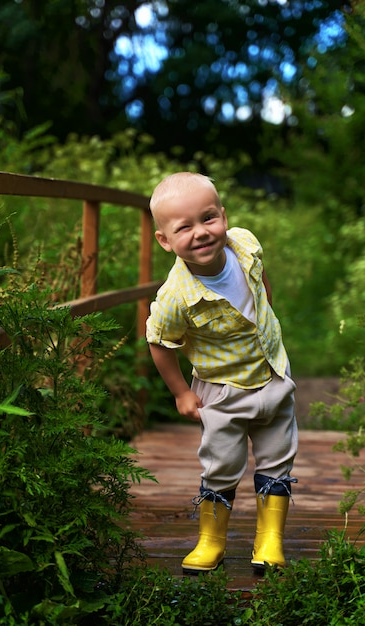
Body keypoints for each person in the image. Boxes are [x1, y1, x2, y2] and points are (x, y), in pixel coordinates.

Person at [146, 172, 298, 574]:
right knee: (221, 464)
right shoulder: (174, 297)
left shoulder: (244, 244)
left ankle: (270, 540)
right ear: (164, 240)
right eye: (184, 227)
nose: (201, 232)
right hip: (221, 392)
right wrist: (181, 392)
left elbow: (259, 279)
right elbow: (159, 343)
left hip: (272, 373)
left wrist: (266, 310)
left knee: (277, 458)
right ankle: (211, 541)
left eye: (208, 218)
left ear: (223, 216)